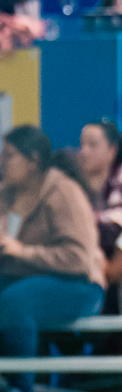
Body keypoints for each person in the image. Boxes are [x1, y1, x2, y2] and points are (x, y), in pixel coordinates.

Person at [0, 126, 104, 392]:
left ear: (33, 160)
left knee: (17, 301)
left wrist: (23, 251)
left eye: (9, 156)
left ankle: (19, 391)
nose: (2, 163)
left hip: (76, 284)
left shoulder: (63, 192)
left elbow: (79, 259)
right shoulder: (1, 197)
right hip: (11, 279)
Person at [76, 120, 122, 309]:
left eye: (93, 145)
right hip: (78, 271)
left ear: (112, 150)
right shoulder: (69, 186)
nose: (84, 151)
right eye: (82, 145)